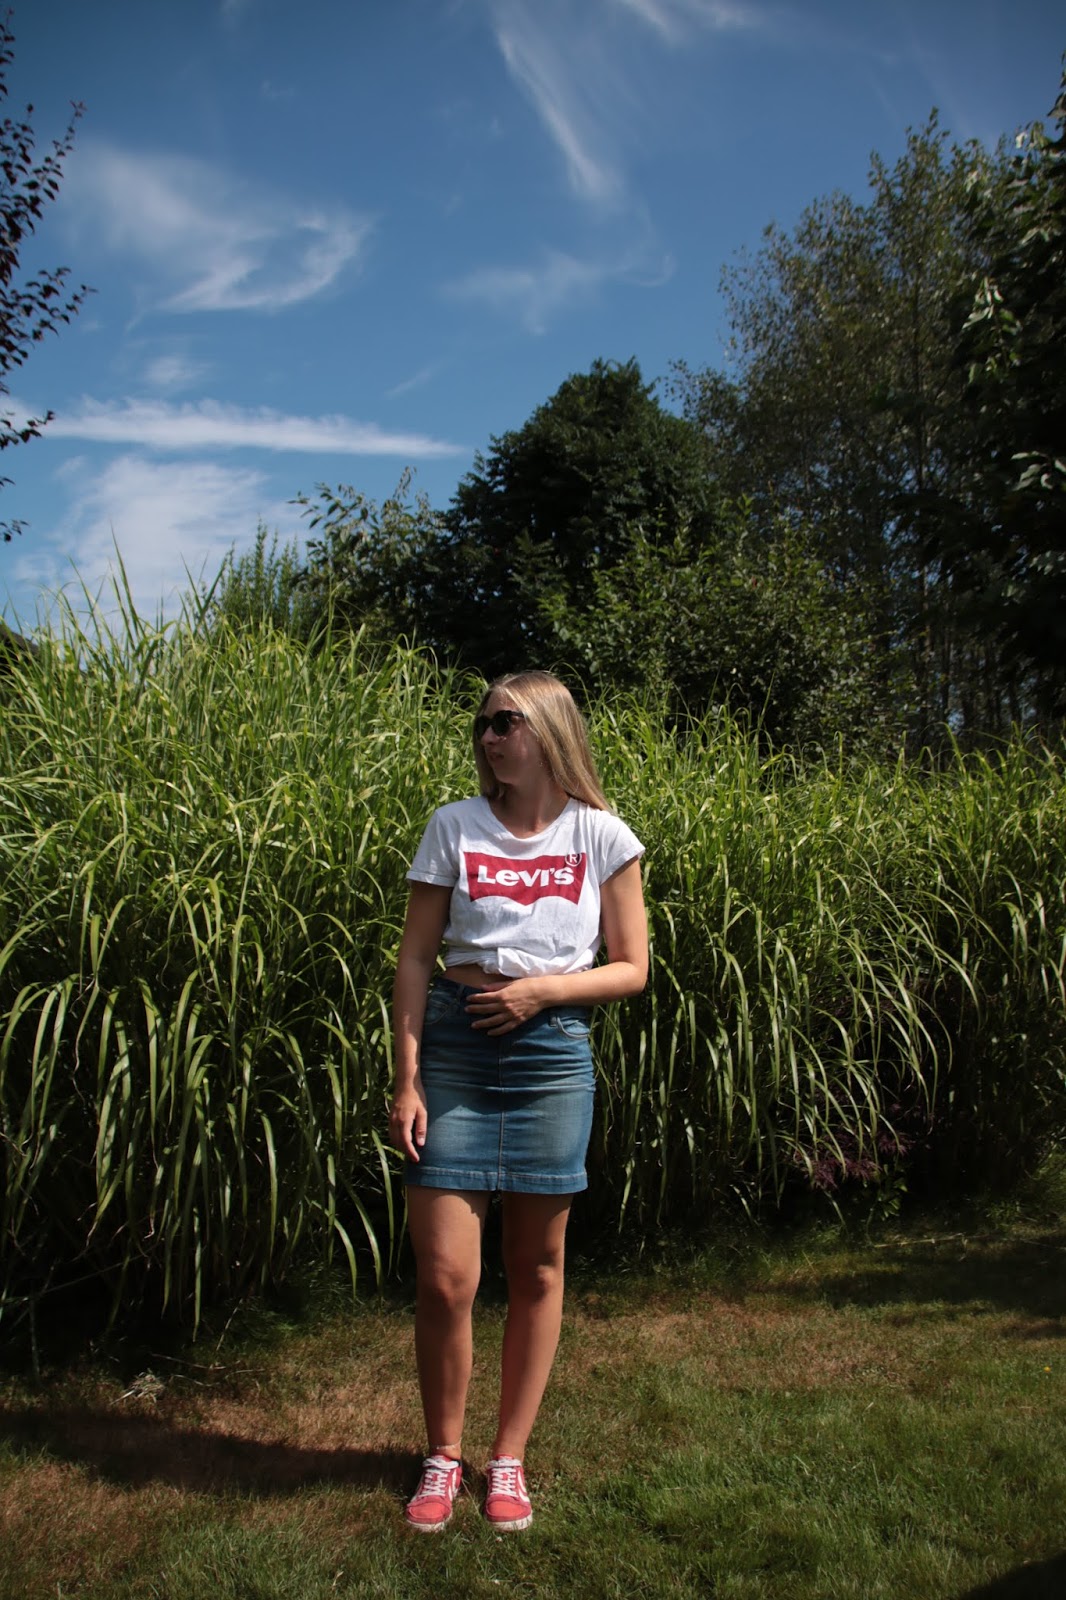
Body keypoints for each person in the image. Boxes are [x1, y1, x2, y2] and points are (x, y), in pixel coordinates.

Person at [388, 670, 648, 1533]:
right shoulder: (453, 825)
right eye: (485, 724)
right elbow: (416, 958)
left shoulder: (602, 834)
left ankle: (508, 1459)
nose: (490, 736)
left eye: (506, 722)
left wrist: (543, 992)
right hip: (456, 1047)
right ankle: (442, 1456)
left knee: (537, 1267)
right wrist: (407, 1078)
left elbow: (632, 967)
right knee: (446, 1276)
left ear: (549, 729)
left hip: (550, 1053)